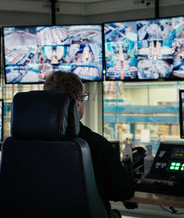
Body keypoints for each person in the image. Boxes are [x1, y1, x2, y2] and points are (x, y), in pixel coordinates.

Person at [43, 70, 136, 217]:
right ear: (77, 102)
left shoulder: (21, 145)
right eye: (84, 97)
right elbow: (123, 192)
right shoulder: (94, 144)